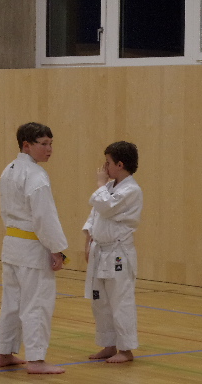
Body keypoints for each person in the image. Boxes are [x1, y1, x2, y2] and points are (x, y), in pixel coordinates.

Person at [0, 122, 68, 374]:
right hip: (31, 247)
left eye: (51, 144)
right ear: (26, 145)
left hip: (12, 245)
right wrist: (56, 249)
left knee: (12, 303)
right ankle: (36, 360)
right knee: (37, 303)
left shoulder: (9, 170)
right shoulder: (36, 175)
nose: (49, 149)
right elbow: (44, 217)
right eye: (43, 144)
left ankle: (5, 352)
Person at [83, 141, 143, 363]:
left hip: (118, 253)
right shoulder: (108, 188)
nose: (104, 167)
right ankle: (109, 345)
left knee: (120, 301)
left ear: (120, 164)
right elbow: (95, 215)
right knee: (101, 301)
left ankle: (126, 350)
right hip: (100, 250)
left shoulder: (132, 190)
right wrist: (88, 241)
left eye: (107, 162)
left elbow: (107, 207)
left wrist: (99, 184)